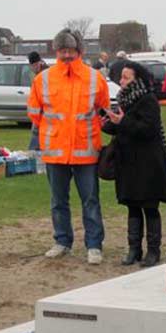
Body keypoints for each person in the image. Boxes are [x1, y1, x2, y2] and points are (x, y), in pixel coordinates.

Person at [27, 29, 110, 264]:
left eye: (70, 50)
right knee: (58, 201)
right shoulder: (43, 79)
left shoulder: (95, 78)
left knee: (91, 200)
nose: (65, 55)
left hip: (85, 151)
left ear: (79, 51)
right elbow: (34, 113)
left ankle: (94, 245)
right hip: (55, 152)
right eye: (61, 50)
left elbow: (103, 107)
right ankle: (62, 241)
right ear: (56, 52)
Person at [102, 62, 166, 267]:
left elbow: (147, 129)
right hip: (127, 161)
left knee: (150, 207)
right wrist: (108, 123)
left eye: (126, 77)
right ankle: (134, 249)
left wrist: (122, 122)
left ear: (138, 79)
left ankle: (153, 251)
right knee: (132, 207)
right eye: (121, 77)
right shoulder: (123, 100)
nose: (122, 81)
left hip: (148, 162)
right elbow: (120, 126)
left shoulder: (148, 100)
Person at [27, 52, 49, 151]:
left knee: (36, 141)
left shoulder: (43, 76)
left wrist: (36, 119)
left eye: (34, 65)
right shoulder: (43, 73)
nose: (32, 68)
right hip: (42, 114)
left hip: (43, 115)